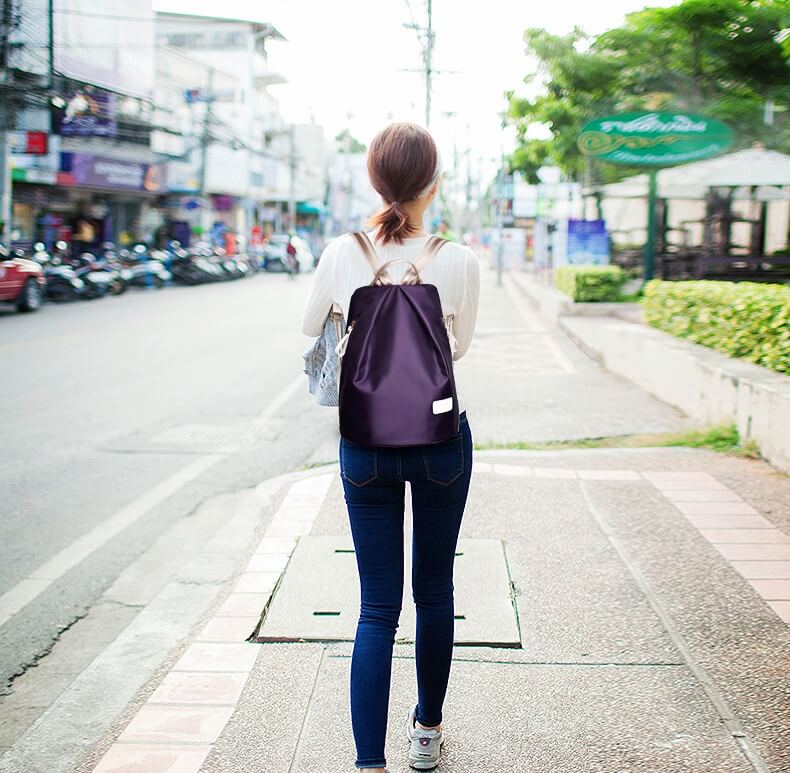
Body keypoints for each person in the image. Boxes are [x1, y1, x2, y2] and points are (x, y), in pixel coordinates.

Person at [302, 122, 480, 772]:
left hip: (366, 442)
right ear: (433, 183)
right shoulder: (458, 257)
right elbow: (457, 349)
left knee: (376, 605)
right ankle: (426, 734)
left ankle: (368, 761)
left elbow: (309, 326)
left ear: (375, 181)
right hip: (440, 437)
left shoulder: (341, 250)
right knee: (435, 591)